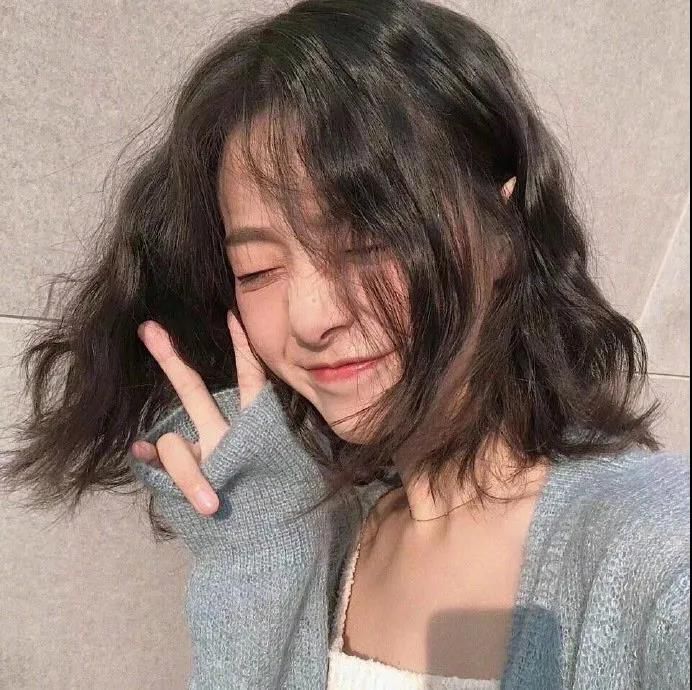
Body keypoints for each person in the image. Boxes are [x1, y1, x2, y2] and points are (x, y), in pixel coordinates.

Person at [1, 1, 688, 688]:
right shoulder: (327, 540)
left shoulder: (654, 550)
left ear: (503, 234)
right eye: (257, 270)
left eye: (367, 241)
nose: (309, 317)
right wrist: (256, 550)